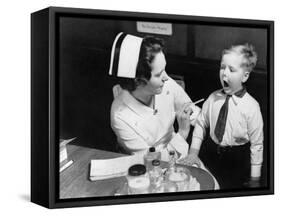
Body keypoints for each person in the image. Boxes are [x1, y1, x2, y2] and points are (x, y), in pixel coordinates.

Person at [109, 32, 200, 161]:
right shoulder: (120, 116)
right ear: (138, 81)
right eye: (158, 74)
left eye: (164, 70)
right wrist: (183, 133)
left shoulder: (163, 84)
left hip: (178, 150)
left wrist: (209, 120)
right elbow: (151, 162)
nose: (166, 78)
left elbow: (192, 111)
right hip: (148, 167)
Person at [183, 44, 264, 189]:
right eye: (222, 67)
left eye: (231, 69)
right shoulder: (213, 98)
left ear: (245, 76)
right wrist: (193, 153)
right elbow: (201, 124)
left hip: (237, 159)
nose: (224, 74)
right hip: (211, 154)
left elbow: (257, 145)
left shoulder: (252, 106)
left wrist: (255, 178)